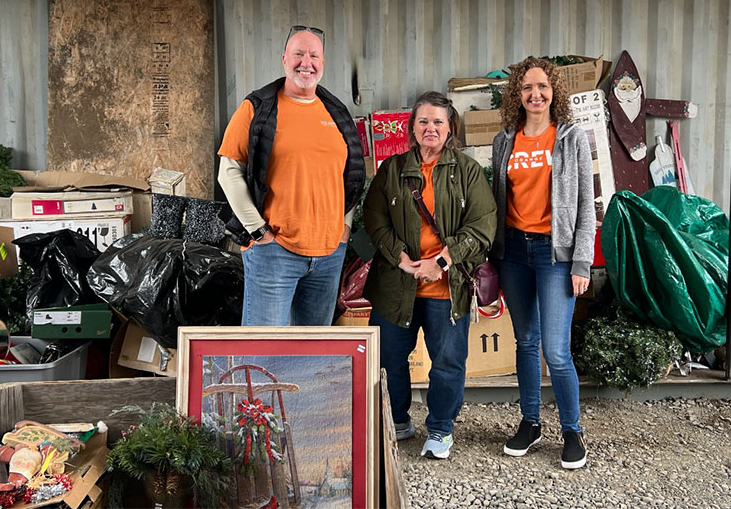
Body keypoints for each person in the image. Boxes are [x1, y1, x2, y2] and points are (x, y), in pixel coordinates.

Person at [363, 91, 496, 460]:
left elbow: (483, 226)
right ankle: (398, 420)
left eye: (438, 121)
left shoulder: (467, 171)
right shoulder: (392, 169)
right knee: (388, 359)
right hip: (396, 286)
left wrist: (441, 261)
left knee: (448, 363)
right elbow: (374, 218)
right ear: (412, 128)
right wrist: (402, 259)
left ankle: (440, 428)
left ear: (450, 127)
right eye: (423, 121)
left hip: (446, 288)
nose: (430, 128)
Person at [217, 24, 365, 326]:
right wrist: (258, 231)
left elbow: (350, 177)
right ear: (284, 59)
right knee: (263, 355)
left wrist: (344, 230)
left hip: (328, 255)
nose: (305, 62)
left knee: (311, 358)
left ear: (322, 64)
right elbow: (228, 172)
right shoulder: (257, 109)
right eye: (298, 53)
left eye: (313, 55)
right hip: (274, 252)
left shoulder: (335, 113)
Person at [491, 57, 596, 470]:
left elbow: (587, 206)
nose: (535, 94)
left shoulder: (570, 138)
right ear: (517, 95)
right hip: (514, 252)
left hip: (557, 254)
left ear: (554, 92)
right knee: (526, 342)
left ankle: (572, 430)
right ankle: (531, 422)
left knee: (556, 350)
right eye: (527, 88)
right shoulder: (505, 140)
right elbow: (498, 202)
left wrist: (581, 263)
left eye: (543, 87)